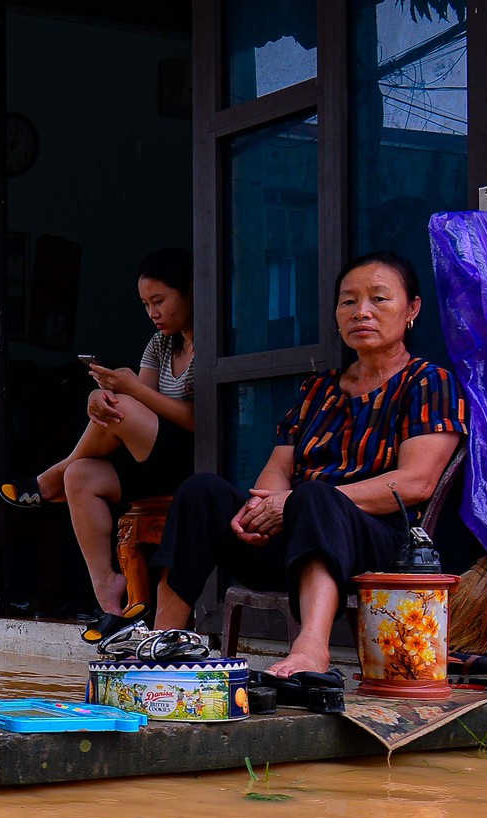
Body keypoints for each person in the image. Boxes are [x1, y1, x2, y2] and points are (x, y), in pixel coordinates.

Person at [152, 251, 467, 680]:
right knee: (201, 491)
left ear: (412, 309)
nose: (362, 312)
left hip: (378, 544)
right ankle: (161, 640)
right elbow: (279, 467)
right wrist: (262, 507)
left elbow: (417, 482)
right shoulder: (317, 388)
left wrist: (297, 502)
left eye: (379, 299)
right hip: (295, 534)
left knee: (316, 496)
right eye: (348, 301)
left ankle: (311, 649)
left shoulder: (429, 382)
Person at [0, 248, 196, 616]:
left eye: (159, 301)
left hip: (191, 459)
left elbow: (200, 419)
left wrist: (129, 391)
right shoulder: (160, 344)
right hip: (148, 459)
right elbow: (144, 401)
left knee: (121, 405)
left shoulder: (212, 344)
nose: (152, 313)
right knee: (81, 475)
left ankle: (49, 477)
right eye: (145, 304)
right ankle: (107, 593)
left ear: (190, 291)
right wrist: (98, 396)